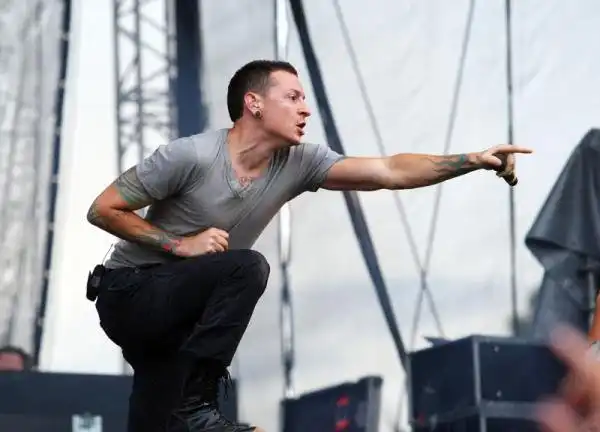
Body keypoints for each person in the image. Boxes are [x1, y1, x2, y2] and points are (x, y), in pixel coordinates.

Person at [86, 59, 532, 432]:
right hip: (129, 293)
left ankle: (190, 409)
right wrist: (180, 245)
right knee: (246, 268)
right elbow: (102, 209)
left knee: (158, 421)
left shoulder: (300, 162)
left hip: (182, 321)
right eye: (293, 97)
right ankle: (200, 406)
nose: (306, 109)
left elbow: (390, 171)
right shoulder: (191, 155)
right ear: (254, 103)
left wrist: (472, 160)